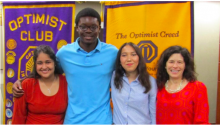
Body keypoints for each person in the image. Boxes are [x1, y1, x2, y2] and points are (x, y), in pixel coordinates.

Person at [12, 8, 118, 124]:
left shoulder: (112, 53)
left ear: (99, 28)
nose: (88, 31)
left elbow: (126, 74)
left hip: (102, 121)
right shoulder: (64, 53)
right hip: (73, 121)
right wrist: (21, 81)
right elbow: (47, 72)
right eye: (83, 27)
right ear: (77, 28)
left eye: (93, 27)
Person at [12, 45, 68, 124]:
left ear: (54, 63)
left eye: (48, 62)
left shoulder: (66, 83)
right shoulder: (26, 85)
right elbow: (18, 117)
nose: (44, 67)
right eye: (40, 63)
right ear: (35, 65)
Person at [156, 45, 209, 124]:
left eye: (179, 62)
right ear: (165, 65)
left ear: (185, 66)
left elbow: (202, 121)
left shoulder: (198, 87)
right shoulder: (157, 87)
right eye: (171, 62)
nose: (175, 66)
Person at [111, 42, 157, 124]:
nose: (129, 59)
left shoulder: (150, 81)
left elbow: (154, 112)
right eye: (124, 55)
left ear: (139, 58)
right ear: (119, 60)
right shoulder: (113, 77)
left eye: (133, 54)